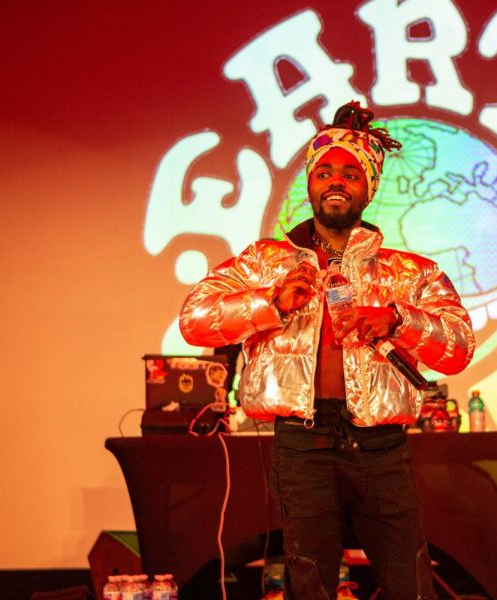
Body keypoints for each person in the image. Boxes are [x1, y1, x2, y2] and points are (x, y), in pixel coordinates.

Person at [179, 101, 475, 599]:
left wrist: (399, 319)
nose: (336, 181)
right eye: (325, 172)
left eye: (350, 173)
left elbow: (459, 348)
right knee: (310, 585)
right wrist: (270, 301)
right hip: (301, 444)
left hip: (381, 447)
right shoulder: (265, 261)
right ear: (310, 184)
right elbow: (194, 319)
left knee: (412, 584)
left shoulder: (408, 271)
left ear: (369, 188)